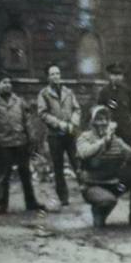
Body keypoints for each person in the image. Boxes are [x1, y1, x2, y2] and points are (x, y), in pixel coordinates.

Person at [74, 104, 131, 227]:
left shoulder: (115, 140)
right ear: (92, 122)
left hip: (113, 183)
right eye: (99, 119)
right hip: (92, 185)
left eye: (105, 119)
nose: (103, 123)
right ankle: (98, 213)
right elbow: (84, 153)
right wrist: (104, 141)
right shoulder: (84, 138)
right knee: (107, 201)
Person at [0, 76, 42, 214]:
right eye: (4, 82)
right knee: (4, 175)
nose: (7, 85)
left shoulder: (19, 101)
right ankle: (1, 204)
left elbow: (27, 121)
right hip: (4, 144)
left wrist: (32, 138)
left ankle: (31, 202)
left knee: (25, 172)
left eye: (9, 82)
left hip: (21, 142)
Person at [35, 64, 82, 207]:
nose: (56, 76)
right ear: (48, 77)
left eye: (58, 73)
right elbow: (42, 113)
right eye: (52, 74)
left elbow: (77, 109)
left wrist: (73, 122)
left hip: (70, 133)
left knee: (77, 162)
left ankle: (87, 191)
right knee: (58, 166)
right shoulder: (44, 94)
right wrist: (58, 123)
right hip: (55, 135)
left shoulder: (68, 92)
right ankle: (63, 197)